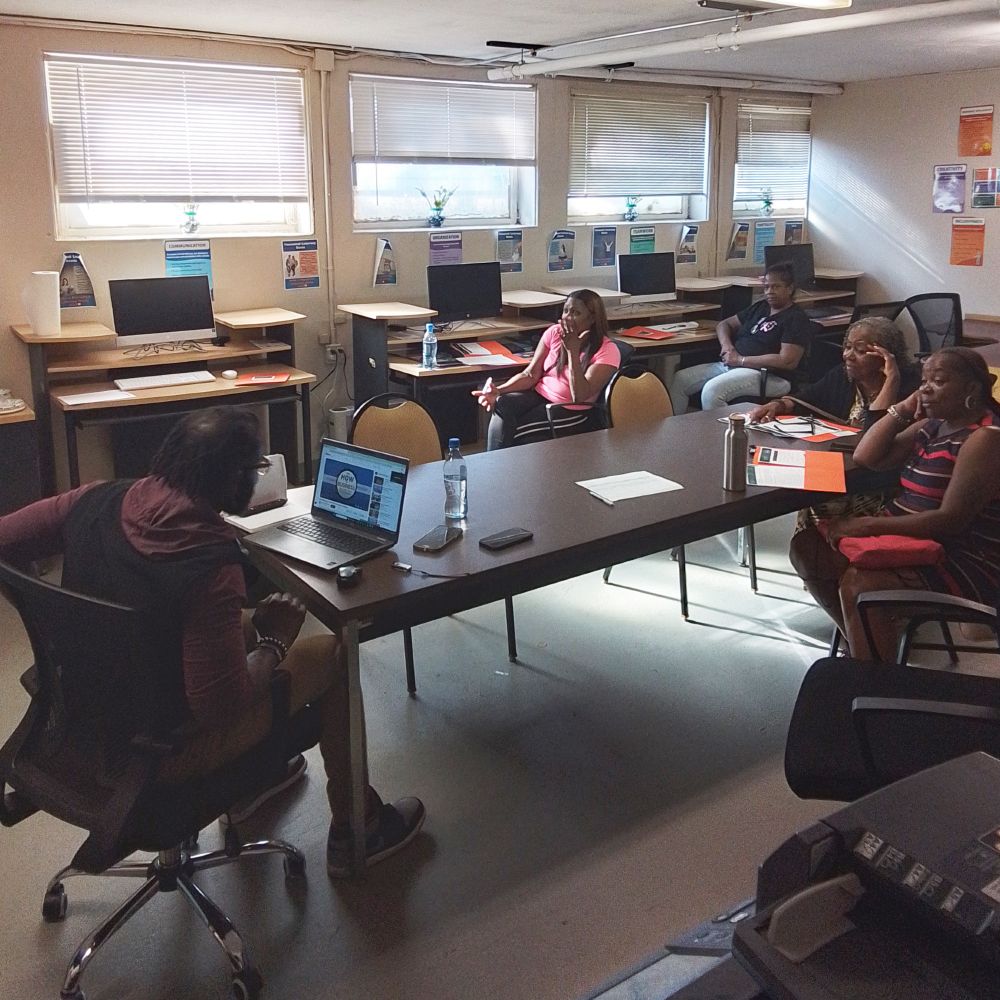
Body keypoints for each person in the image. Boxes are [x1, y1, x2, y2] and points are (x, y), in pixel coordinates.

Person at [0, 407, 424, 878]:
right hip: (160, 754)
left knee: (238, 626)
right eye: (257, 467)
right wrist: (274, 643)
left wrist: (36, 604)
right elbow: (221, 707)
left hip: (82, 712)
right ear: (236, 482)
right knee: (330, 654)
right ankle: (358, 828)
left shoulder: (94, 499)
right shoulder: (207, 564)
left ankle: (253, 790)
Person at [791, 347, 1000, 660]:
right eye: (923, 381)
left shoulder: (984, 438)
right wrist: (902, 407)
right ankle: (865, 648)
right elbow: (867, 456)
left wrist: (866, 525)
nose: (925, 388)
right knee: (808, 548)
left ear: (972, 389)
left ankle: (873, 677)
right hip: (908, 537)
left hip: (960, 554)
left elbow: (951, 520)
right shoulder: (935, 425)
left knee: (861, 585)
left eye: (938, 381)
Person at [750, 317, 921, 588]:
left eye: (862, 350)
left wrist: (891, 381)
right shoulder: (843, 376)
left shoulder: (910, 387)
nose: (849, 356)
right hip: (840, 469)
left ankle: (847, 576)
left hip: (880, 482)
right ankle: (828, 576)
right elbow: (809, 397)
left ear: (888, 356)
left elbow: (874, 440)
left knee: (822, 518)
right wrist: (780, 403)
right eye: (847, 347)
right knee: (811, 511)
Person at [472, 289, 621, 450]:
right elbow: (530, 374)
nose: (567, 317)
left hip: (570, 409)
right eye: (565, 311)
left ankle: (499, 466)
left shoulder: (607, 350)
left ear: (592, 318)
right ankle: (495, 464)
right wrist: (499, 390)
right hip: (541, 396)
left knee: (516, 432)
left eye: (575, 313)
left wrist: (572, 351)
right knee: (503, 403)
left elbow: (580, 395)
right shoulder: (554, 332)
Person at [669, 262, 811, 412]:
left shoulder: (795, 318)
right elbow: (724, 324)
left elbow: (787, 361)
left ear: (789, 289)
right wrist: (727, 347)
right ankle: (671, 432)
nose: (769, 291)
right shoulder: (761, 307)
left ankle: (721, 434)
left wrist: (741, 360)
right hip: (732, 364)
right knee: (681, 379)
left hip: (768, 375)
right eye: (766, 287)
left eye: (776, 287)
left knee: (712, 392)